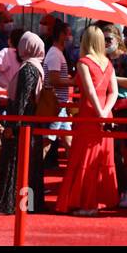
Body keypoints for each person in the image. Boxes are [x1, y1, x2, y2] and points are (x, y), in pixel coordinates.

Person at [56, 26, 119, 215]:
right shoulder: (108, 63)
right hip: (105, 113)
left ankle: (87, 203)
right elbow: (113, 92)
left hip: (90, 114)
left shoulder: (83, 62)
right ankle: (98, 201)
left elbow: (90, 91)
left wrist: (99, 113)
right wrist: (105, 112)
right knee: (101, 159)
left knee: (84, 158)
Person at [0, 32, 48, 216]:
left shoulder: (28, 68)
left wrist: (12, 126)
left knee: (12, 164)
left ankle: (7, 204)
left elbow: (21, 99)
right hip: (29, 124)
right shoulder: (37, 66)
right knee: (30, 167)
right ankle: (30, 204)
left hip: (20, 124)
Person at [101, 23, 127, 208]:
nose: (106, 43)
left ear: (117, 39)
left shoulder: (123, 57)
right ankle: (118, 189)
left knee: (114, 150)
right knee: (109, 150)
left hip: (121, 107)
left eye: (109, 39)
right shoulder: (103, 58)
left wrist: (109, 77)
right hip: (108, 106)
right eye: (103, 39)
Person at [43, 20, 74, 158]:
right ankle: (31, 173)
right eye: (68, 34)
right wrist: (73, 82)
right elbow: (53, 79)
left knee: (68, 142)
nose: (70, 37)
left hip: (60, 105)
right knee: (46, 142)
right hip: (56, 105)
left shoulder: (56, 53)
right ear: (61, 35)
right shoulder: (55, 54)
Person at [0, 27, 24, 96]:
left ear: (10, 41)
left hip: (3, 96)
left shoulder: (6, 52)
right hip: (19, 97)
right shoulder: (27, 54)